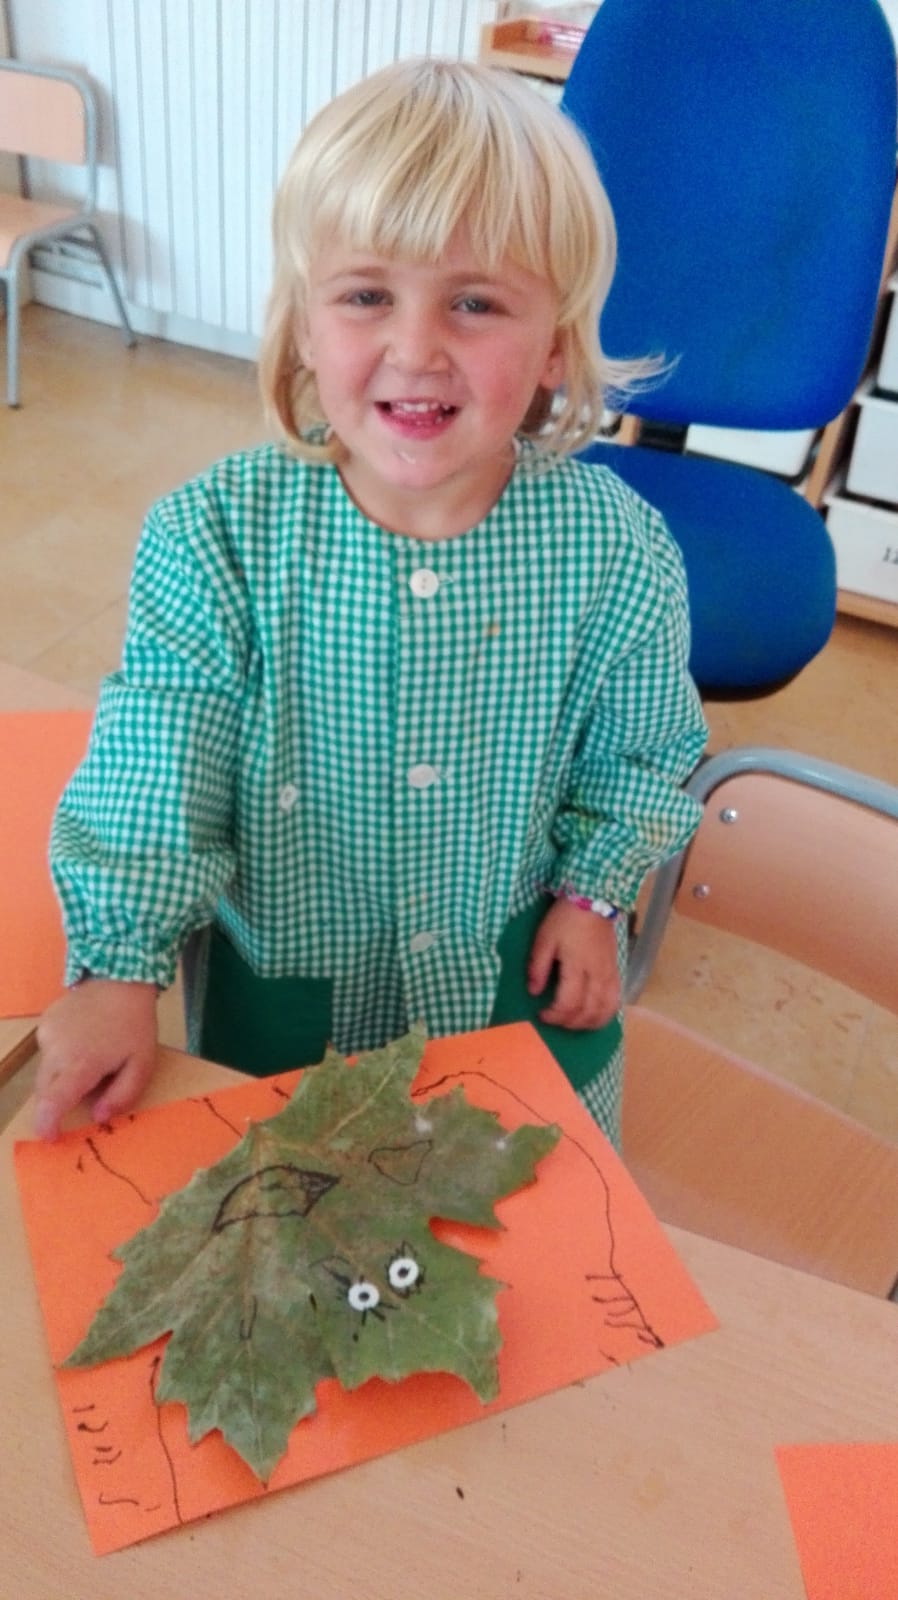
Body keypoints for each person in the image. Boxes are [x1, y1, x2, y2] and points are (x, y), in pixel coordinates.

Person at [35, 58, 707, 1148]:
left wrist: (592, 895)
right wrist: (119, 965)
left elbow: (638, 752)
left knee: (509, 1223)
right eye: (365, 296)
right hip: (285, 994)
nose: (415, 348)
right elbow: (157, 766)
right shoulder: (215, 534)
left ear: (553, 343)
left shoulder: (617, 548)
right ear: (305, 324)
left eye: (475, 302)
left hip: (502, 979)